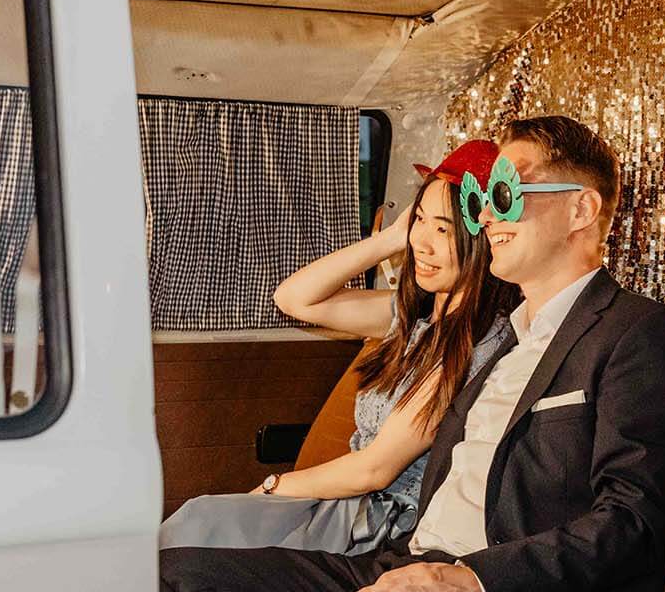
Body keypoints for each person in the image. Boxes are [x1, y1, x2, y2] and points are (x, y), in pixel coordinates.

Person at [159, 116, 665, 592]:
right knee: (170, 584)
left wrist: (478, 581)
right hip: (411, 560)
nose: (487, 216)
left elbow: (631, 519)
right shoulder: (499, 339)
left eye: (505, 194)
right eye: (480, 200)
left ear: (580, 210)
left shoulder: (638, 334)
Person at [159, 139, 516, 557]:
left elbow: (374, 470)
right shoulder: (412, 318)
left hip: (378, 522)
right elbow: (293, 299)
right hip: (344, 500)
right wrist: (390, 239)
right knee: (196, 523)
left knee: (200, 527)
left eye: (444, 229)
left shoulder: (477, 343)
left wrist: (274, 486)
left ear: (482, 239)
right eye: (419, 219)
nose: (423, 242)